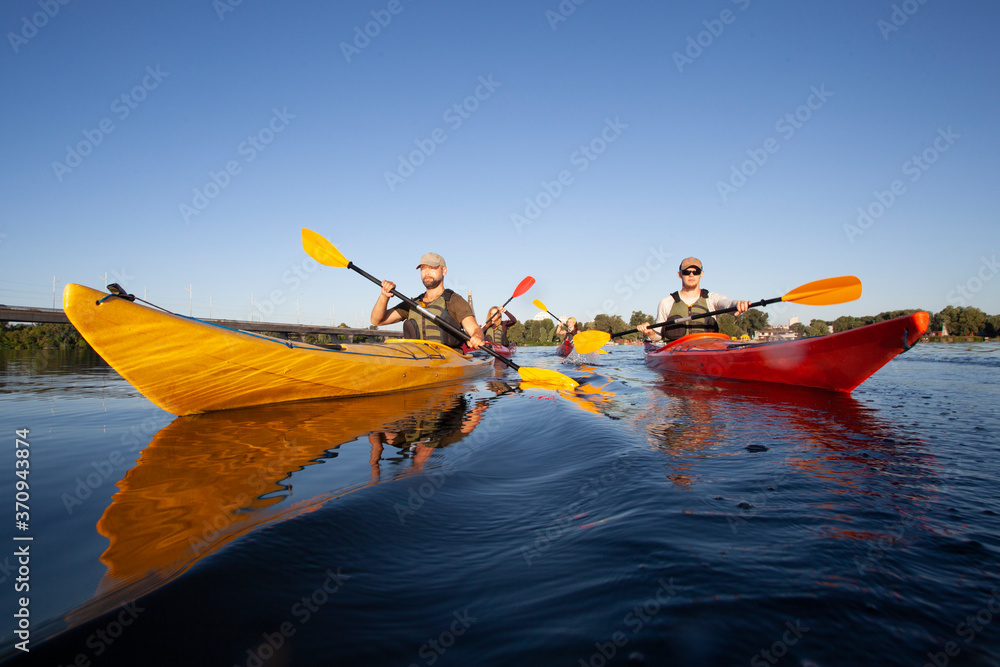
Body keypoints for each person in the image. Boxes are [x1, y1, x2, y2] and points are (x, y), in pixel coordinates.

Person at [370, 252, 485, 349]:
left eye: (432, 268)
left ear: (444, 270)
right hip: (417, 359)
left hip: (448, 362)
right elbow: (377, 321)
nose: (427, 272)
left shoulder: (454, 301)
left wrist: (477, 337)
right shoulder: (412, 304)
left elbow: (474, 328)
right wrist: (384, 296)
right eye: (423, 269)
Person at [637, 257, 750, 342]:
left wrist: (738, 304)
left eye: (696, 272)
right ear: (679, 274)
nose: (691, 275)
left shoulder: (712, 299)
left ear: (701, 274)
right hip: (675, 354)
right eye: (686, 272)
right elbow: (658, 336)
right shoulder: (666, 302)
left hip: (707, 351)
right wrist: (650, 332)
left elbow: (729, 304)